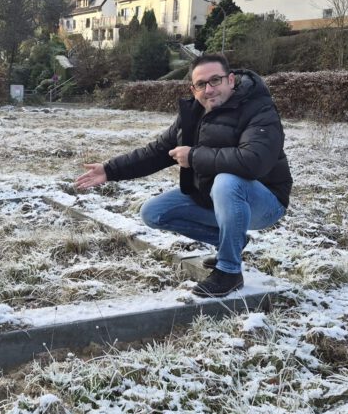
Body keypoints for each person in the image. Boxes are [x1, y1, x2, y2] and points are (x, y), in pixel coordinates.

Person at [75, 54, 292, 297]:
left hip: (265, 202)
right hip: (214, 197)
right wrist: (110, 169)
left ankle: (229, 271)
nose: (209, 90)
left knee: (227, 180)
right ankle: (231, 242)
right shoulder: (192, 113)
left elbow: (254, 162)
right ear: (193, 88)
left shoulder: (259, 109)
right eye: (201, 84)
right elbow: (158, 152)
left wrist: (193, 156)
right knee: (153, 212)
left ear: (231, 80)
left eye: (215, 80)